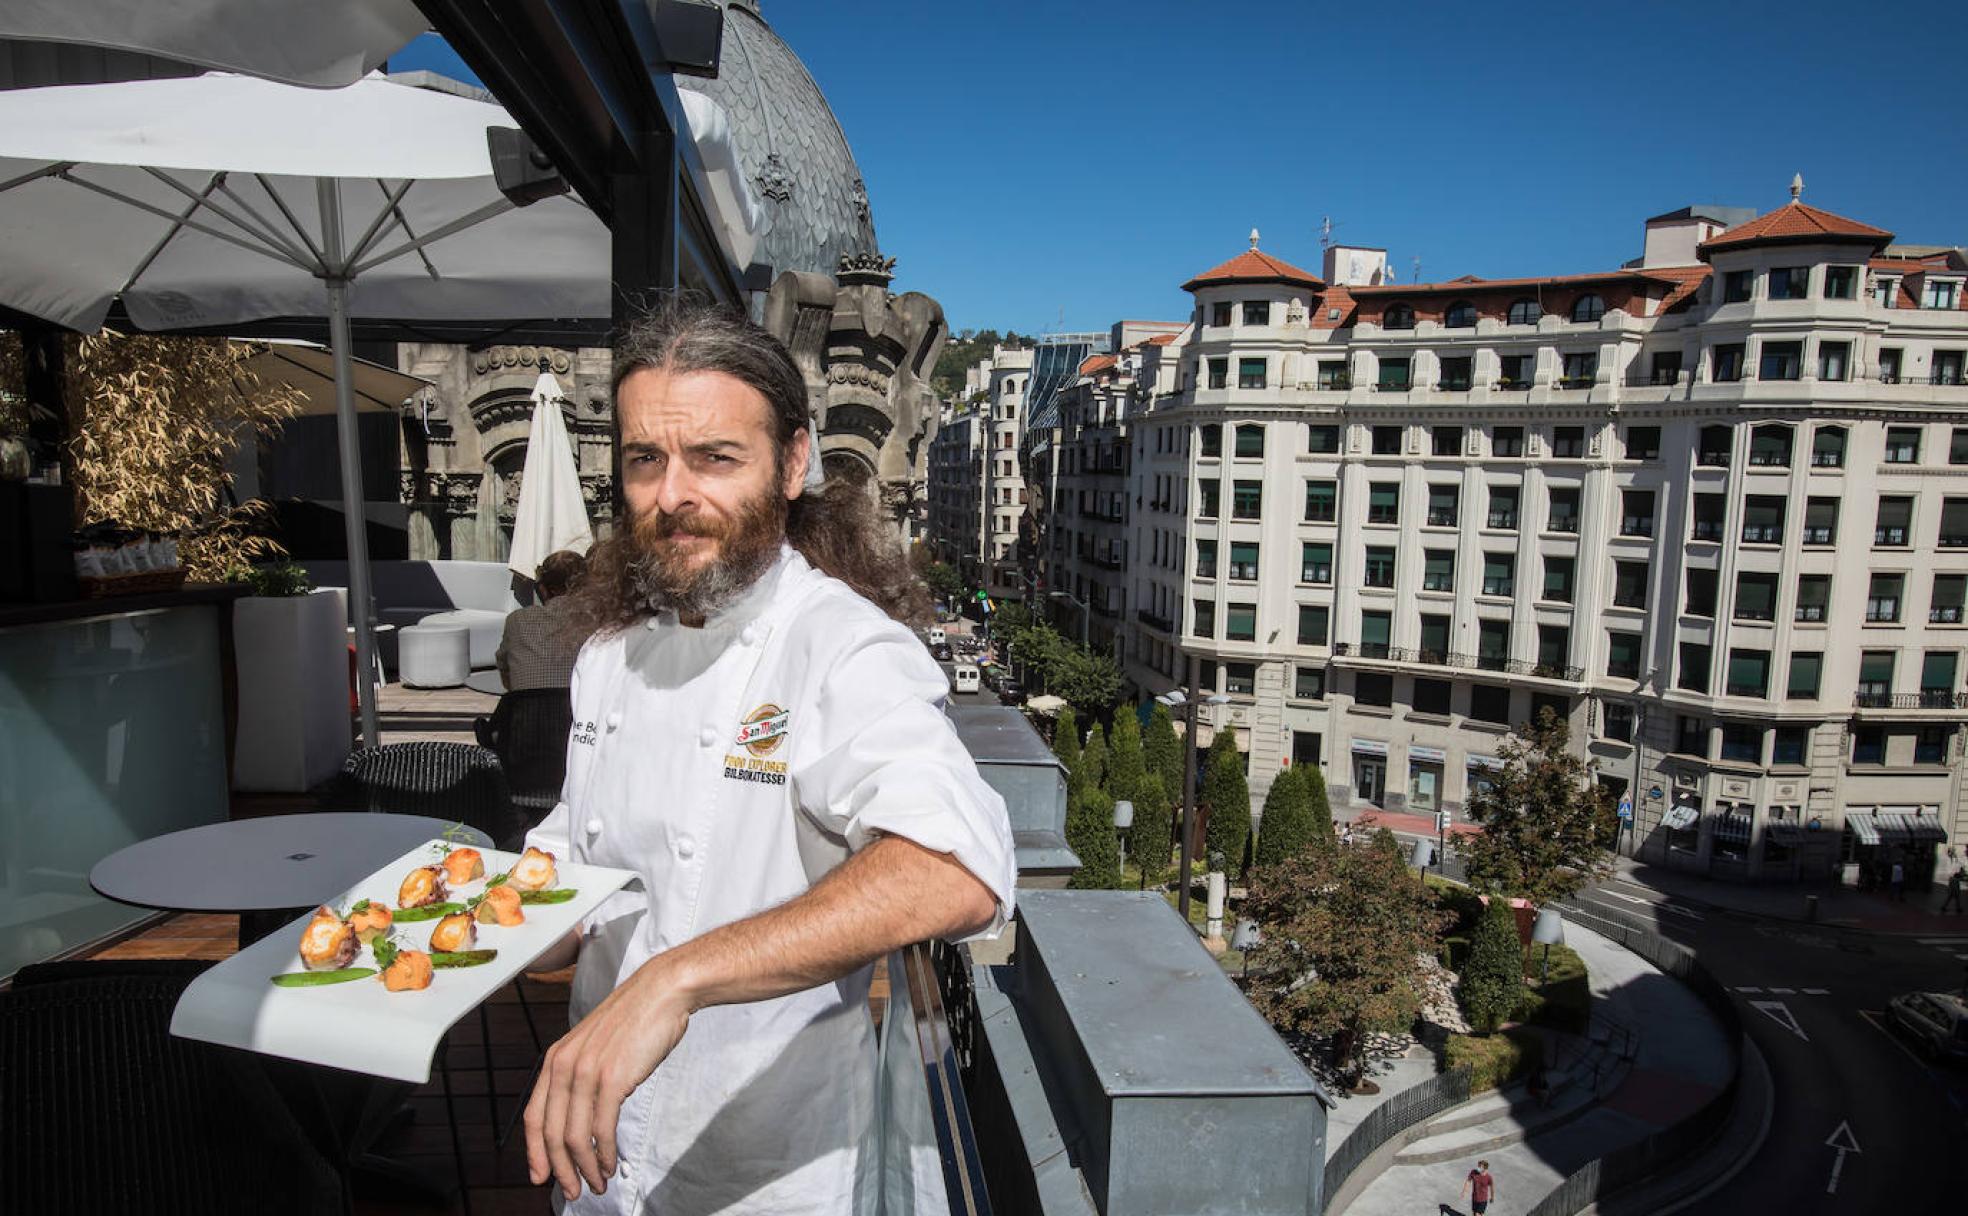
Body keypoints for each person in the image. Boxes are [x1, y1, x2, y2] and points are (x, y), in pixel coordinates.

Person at [518, 300, 1015, 1214]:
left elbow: (955, 868)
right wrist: (508, 915)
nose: (673, 496)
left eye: (714, 457)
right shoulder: (607, 656)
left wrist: (676, 979)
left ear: (792, 463)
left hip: (759, 1168)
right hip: (596, 1150)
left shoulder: (840, 646)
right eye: (645, 460)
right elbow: (585, 855)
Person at [494, 548, 590, 691]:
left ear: (542, 589)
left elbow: (505, 672)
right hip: (578, 711)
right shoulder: (599, 622)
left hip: (525, 710)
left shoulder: (517, 621)